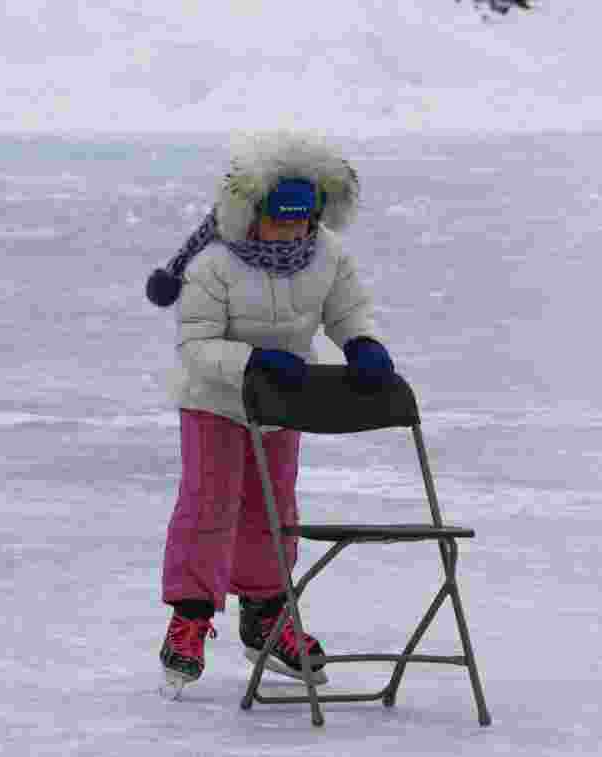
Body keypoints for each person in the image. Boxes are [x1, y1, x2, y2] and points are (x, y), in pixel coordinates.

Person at [145, 131, 396, 693]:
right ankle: (188, 619)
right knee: (209, 506)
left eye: (302, 221)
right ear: (252, 213)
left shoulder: (325, 252)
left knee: (274, 510)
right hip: (215, 403)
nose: (292, 232)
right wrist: (255, 360)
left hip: (282, 405)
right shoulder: (213, 264)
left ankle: (265, 615)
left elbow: (347, 308)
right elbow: (196, 346)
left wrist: (361, 343)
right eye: (280, 221)